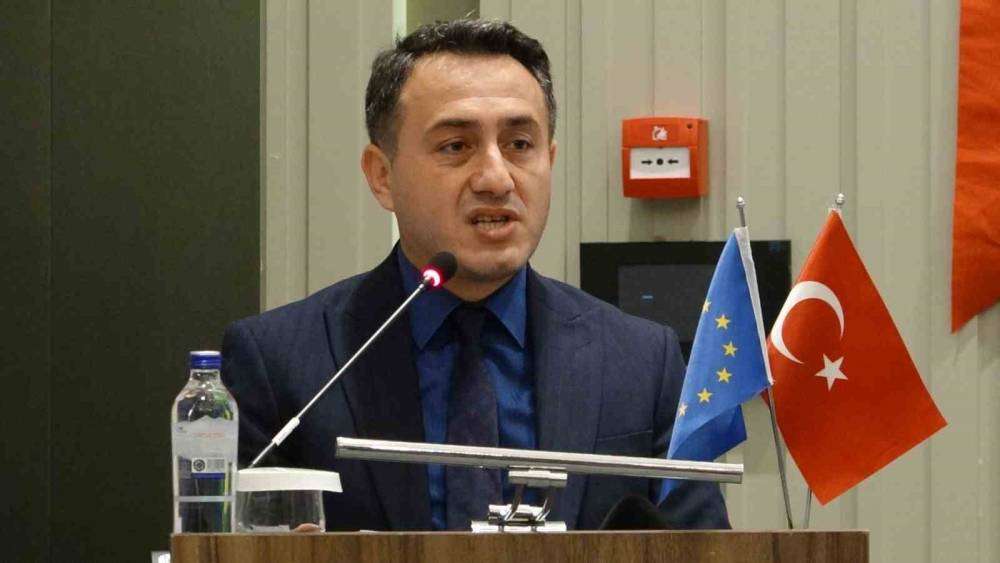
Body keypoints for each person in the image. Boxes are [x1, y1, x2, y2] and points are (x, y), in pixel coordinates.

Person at [222, 18, 729, 531]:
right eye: (455, 146)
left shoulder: (643, 362)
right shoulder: (279, 363)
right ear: (382, 176)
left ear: (550, 160)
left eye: (520, 145)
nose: (495, 178)